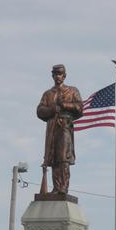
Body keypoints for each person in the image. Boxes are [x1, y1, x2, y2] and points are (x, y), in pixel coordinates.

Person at [37, 64, 83, 194]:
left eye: (60, 74)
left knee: (63, 157)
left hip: (65, 126)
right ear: (52, 75)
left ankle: (63, 188)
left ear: (64, 76)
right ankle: (56, 188)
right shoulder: (47, 94)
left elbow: (80, 108)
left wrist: (65, 105)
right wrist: (51, 109)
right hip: (52, 126)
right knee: (53, 157)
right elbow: (39, 111)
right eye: (56, 74)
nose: (58, 76)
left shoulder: (72, 91)